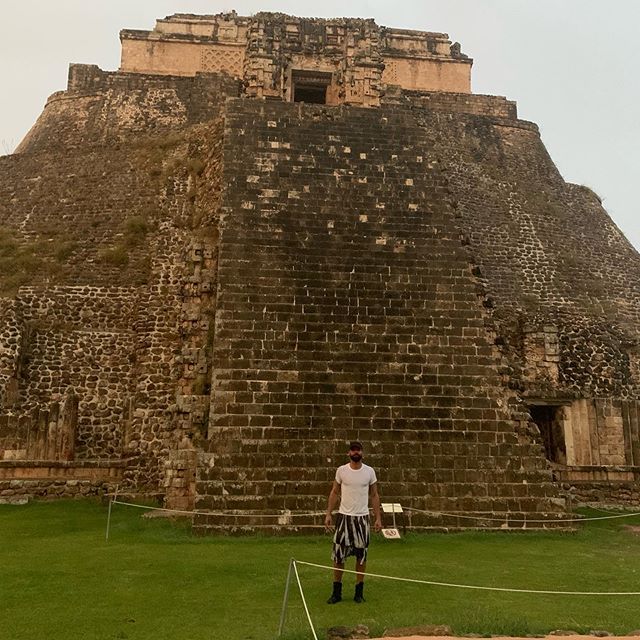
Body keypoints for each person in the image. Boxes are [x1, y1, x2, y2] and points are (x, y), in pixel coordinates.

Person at [324, 441, 382, 604]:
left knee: (361, 556)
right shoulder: (341, 471)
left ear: (362, 453)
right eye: (353, 450)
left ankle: (359, 591)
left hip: (362, 518)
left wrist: (377, 518)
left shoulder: (369, 472)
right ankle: (336, 591)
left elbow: (374, 495)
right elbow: (335, 492)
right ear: (348, 453)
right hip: (344, 517)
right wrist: (328, 513)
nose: (356, 453)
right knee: (338, 555)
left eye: (358, 450)